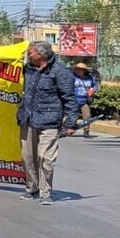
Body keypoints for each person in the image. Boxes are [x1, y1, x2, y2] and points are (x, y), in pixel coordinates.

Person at [16, 41, 78, 206]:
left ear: (41, 55)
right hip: (27, 119)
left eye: (30, 53)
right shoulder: (27, 69)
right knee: (27, 157)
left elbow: (70, 99)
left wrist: (71, 123)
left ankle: (45, 192)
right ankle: (32, 189)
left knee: (46, 158)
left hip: (49, 122)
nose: (28, 56)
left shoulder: (60, 72)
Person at [71, 62, 98, 137]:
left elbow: (94, 86)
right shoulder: (72, 77)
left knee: (87, 115)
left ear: (84, 70)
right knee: (72, 115)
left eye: (80, 70)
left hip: (84, 100)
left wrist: (92, 90)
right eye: (77, 69)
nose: (78, 71)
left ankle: (86, 131)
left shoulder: (90, 78)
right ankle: (69, 128)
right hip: (74, 99)